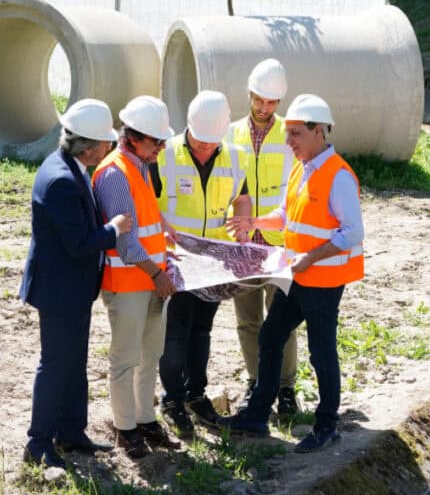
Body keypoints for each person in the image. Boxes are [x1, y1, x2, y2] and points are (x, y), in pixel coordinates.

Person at [220, 94, 364, 453]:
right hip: (298, 276)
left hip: (323, 281)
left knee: (321, 352)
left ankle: (327, 426)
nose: (288, 141)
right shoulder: (302, 167)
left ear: (319, 131)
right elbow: (286, 215)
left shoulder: (339, 176)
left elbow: (352, 233)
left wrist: (311, 258)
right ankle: (257, 414)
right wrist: (254, 222)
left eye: (296, 133)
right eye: (288, 133)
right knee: (270, 337)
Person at [19, 99, 132, 468]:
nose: (110, 147)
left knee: (74, 362)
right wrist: (115, 228)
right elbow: (81, 243)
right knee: (56, 365)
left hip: (71, 288)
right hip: (60, 291)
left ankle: (70, 432)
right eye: (106, 143)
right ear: (88, 147)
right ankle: (38, 443)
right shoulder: (62, 181)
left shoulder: (68, 166)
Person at [152, 91, 251, 437]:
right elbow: (145, 201)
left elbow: (242, 198)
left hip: (213, 263)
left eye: (212, 142)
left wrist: (243, 224)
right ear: (188, 128)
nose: (206, 148)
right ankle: (172, 400)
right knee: (175, 332)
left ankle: (196, 395)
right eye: (200, 141)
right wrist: (160, 231)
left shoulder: (236, 157)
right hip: (176, 262)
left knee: (202, 331)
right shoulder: (164, 155)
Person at [92, 95, 178, 459]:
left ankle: (145, 420)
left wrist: (163, 225)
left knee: (150, 355)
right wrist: (158, 273)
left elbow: (143, 217)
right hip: (130, 283)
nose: (162, 147)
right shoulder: (115, 174)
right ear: (134, 137)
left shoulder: (140, 165)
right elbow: (126, 243)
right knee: (126, 359)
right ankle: (126, 430)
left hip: (151, 281)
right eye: (156, 140)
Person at [226, 58, 298, 415]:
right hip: (242, 244)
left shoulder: (291, 135)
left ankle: (285, 388)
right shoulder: (229, 134)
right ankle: (256, 383)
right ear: (249, 94)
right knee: (248, 320)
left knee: (282, 320)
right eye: (259, 100)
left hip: (279, 242)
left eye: (271, 102)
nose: (264, 108)